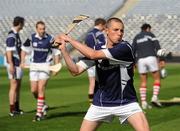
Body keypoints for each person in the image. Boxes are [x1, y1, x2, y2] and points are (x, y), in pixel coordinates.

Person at [56, 17, 150, 131]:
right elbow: (75, 71)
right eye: (115, 30)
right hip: (100, 103)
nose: (119, 33)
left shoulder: (125, 48)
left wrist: (69, 39)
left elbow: (93, 55)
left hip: (126, 102)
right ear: (106, 31)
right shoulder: (98, 47)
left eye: (121, 30)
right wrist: (64, 50)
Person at [21, 21, 61, 121]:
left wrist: (56, 65)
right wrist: (22, 61)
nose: (42, 31)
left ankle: (39, 114)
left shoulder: (50, 38)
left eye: (43, 29)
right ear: (36, 29)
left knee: (41, 88)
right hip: (34, 66)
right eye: (40, 29)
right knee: (34, 90)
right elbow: (24, 49)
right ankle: (43, 105)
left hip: (46, 66)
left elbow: (56, 52)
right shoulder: (31, 38)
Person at [132, 23, 165, 109]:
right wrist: (161, 59)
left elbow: (133, 50)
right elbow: (158, 47)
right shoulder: (150, 35)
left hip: (140, 60)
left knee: (143, 81)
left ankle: (143, 103)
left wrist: (134, 62)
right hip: (151, 57)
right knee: (157, 79)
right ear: (148, 29)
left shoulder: (136, 37)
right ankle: (154, 97)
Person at [5, 16, 25, 116]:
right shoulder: (11, 35)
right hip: (14, 64)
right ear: (20, 23)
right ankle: (12, 109)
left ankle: (16, 108)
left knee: (17, 86)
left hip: (17, 64)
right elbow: (9, 51)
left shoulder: (16, 35)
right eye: (23, 23)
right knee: (13, 86)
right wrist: (11, 65)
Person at [85, 18, 106, 104]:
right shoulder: (99, 34)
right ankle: (99, 102)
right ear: (101, 24)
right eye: (104, 26)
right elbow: (102, 46)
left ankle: (91, 104)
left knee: (91, 83)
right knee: (101, 82)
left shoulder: (88, 34)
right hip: (97, 60)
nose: (104, 28)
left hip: (89, 59)